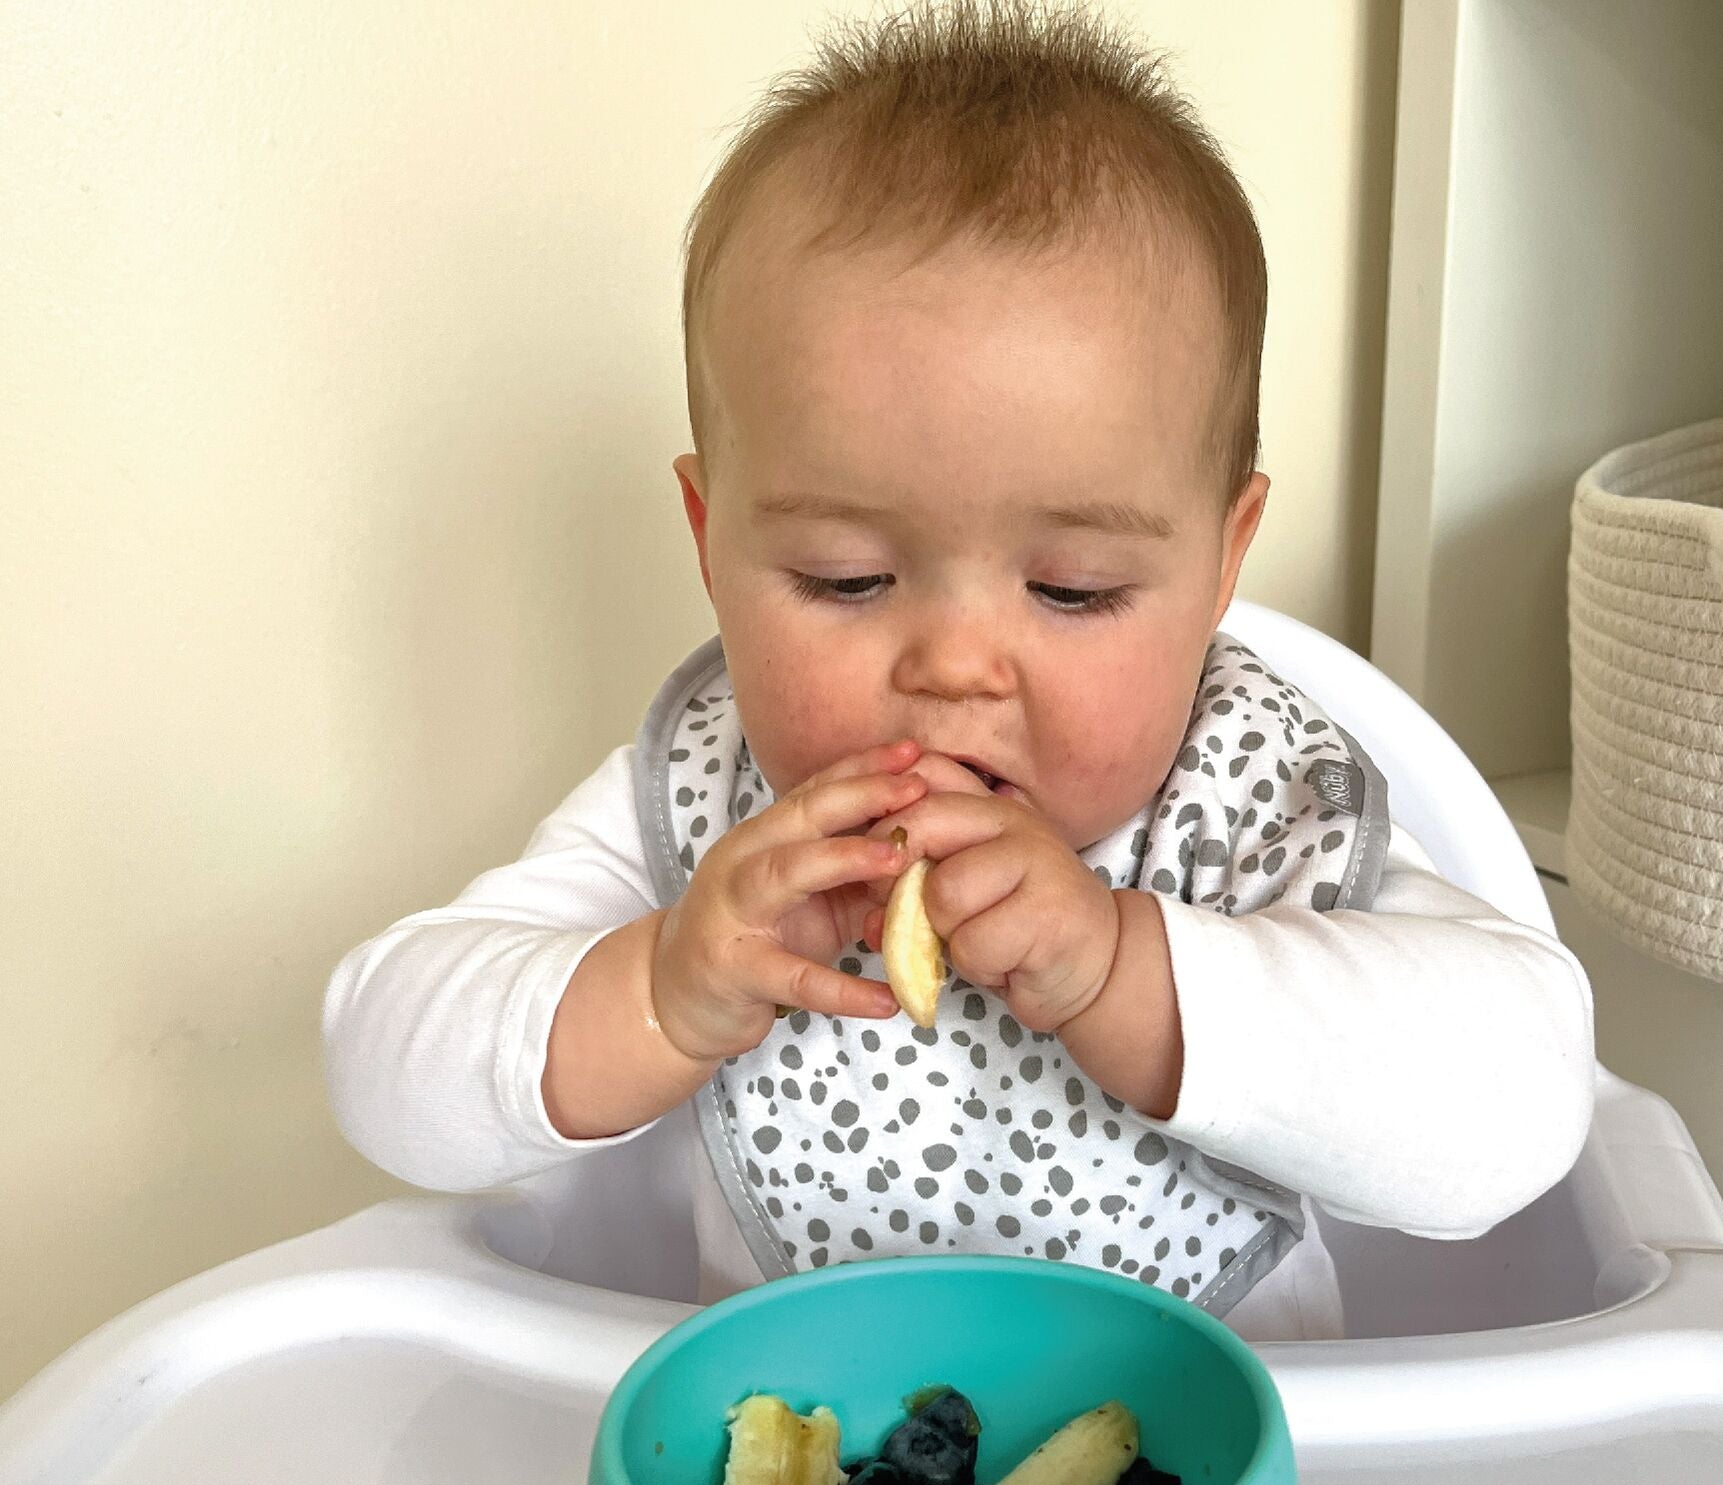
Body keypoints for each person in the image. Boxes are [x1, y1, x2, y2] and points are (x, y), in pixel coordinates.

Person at [324, 0, 1595, 1341]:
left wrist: (1126, 975)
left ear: (1223, 566)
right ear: (713, 540)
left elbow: (1520, 1112)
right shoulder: (715, 814)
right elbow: (383, 1065)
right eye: (845, 578)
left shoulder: (1254, 803)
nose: (952, 667)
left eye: (1074, 591)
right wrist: (657, 991)